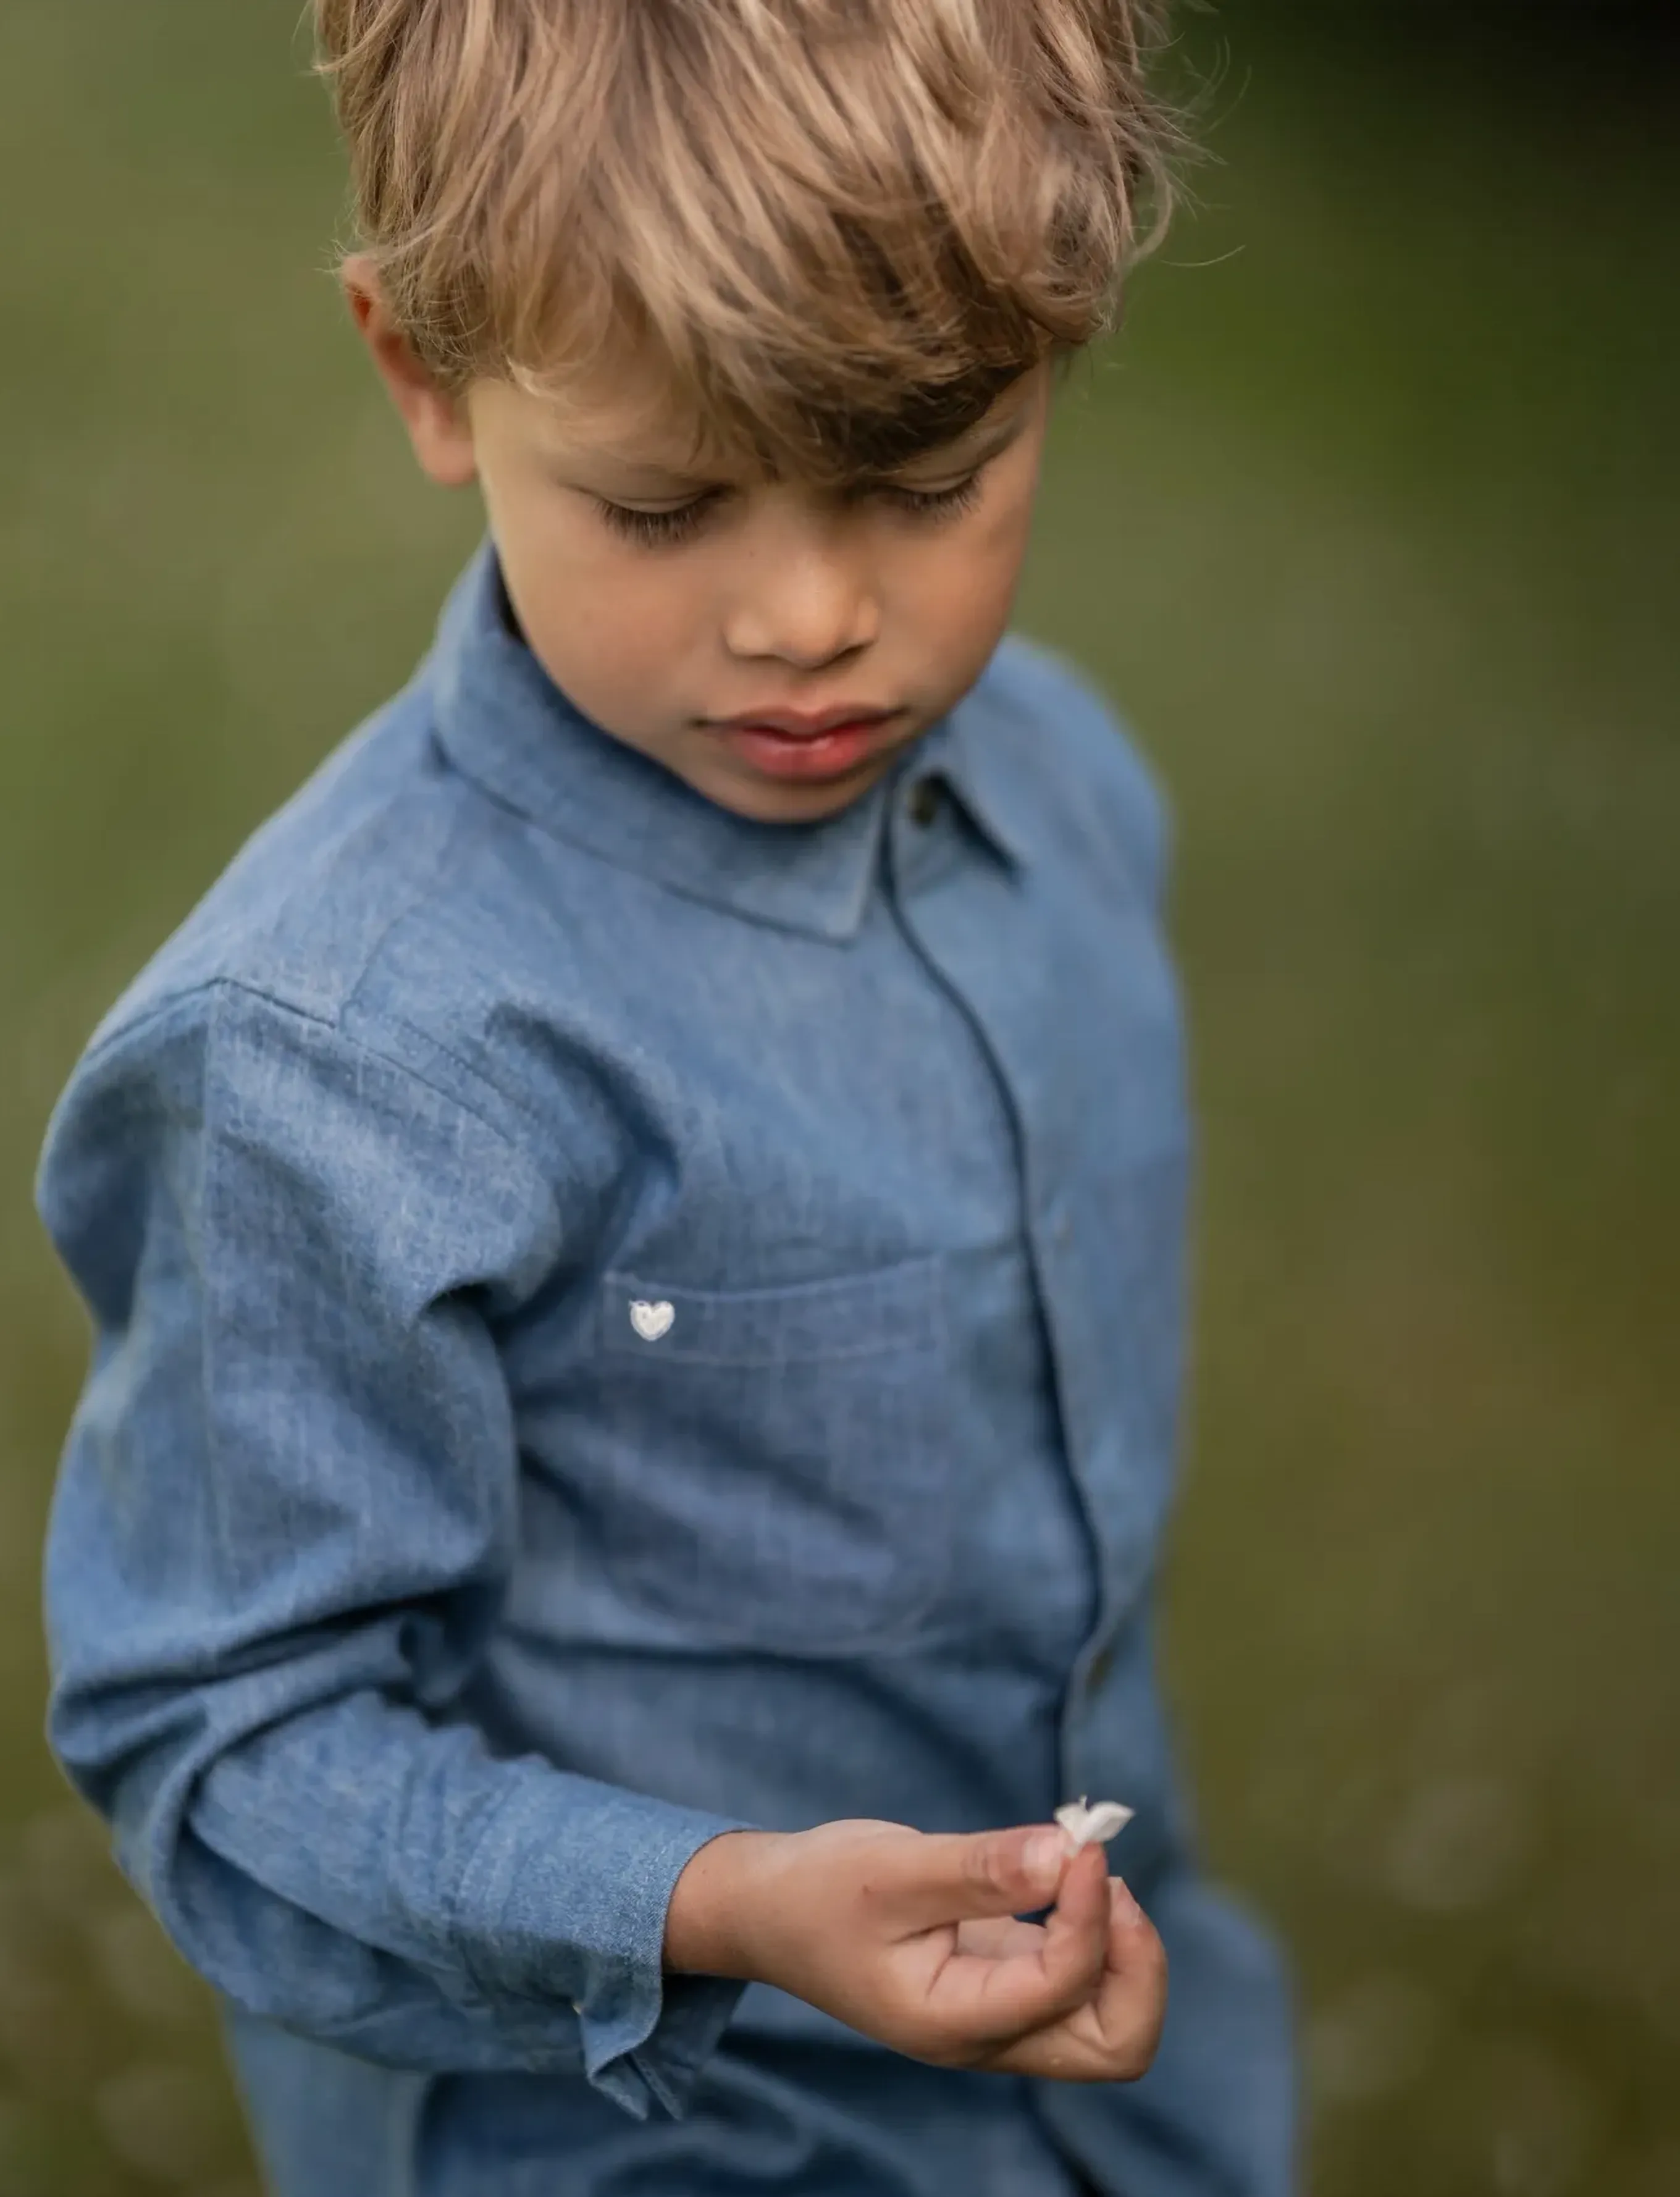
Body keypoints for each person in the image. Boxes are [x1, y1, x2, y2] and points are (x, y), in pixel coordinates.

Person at [35, 3, 1294, 2190]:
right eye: (663, 503)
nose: (812, 616)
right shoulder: (335, 1053)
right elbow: (226, 1741)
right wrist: (716, 1897)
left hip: (1119, 2089)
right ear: (428, 374)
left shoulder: (1071, 795)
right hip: (646, 2133)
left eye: (929, 482)